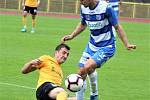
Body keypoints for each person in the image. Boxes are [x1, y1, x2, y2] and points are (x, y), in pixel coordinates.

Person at [61, 0, 136, 100]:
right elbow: (83, 24)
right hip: (92, 45)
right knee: (82, 71)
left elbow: (117, 27)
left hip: (107, 46)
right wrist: (72, 36)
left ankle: (94, 94)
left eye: (82, 0)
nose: (80, 2)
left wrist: (127, 44)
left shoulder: (106, 8)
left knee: (86, 67)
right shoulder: (84, 8)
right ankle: (88, 97)